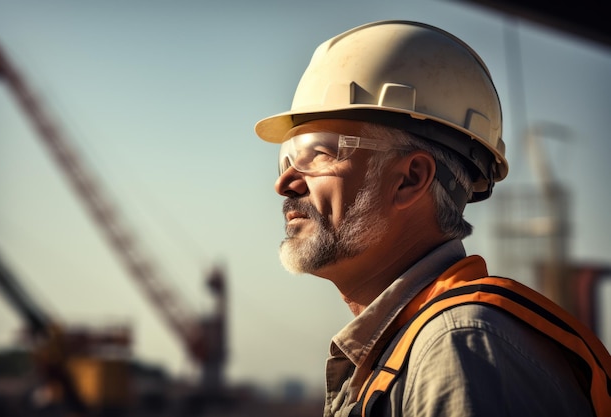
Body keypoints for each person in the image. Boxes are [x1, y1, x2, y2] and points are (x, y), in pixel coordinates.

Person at [253, 20, 611, 417]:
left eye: (318, 153)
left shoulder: (457, 346)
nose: (284, 182)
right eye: (287, 156)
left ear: (410, 179)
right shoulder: (415, 347)